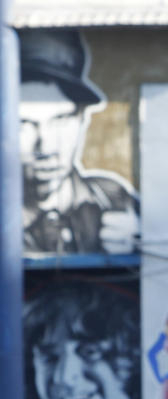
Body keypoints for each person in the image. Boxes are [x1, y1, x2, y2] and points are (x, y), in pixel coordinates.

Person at [19, 29, 140, 254]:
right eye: (25, 125)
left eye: (60, 120)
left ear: (82, 119)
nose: (45, 148)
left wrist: (142, 241)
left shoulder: (114, 199)